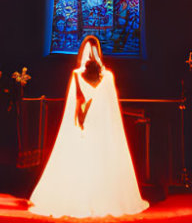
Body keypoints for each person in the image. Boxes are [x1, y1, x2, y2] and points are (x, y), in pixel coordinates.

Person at [29, 36, 148, 218]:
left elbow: (111, 106)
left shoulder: (107, 77)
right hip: (85, 126)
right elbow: (74, 103)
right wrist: (78, 122)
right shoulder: (78, 75)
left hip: (101, 127)